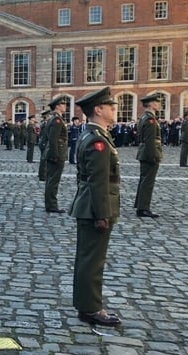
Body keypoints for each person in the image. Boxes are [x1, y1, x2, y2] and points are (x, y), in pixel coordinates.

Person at [68, 86, 121, 327]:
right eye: (110, 106)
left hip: (90, 205)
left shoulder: (95, 135)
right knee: (92, 260)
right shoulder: (97, 140)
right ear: (98, 110)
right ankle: (91, 308)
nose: (114, 109)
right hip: (93, 208)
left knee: (88, 258)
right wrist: (103, 214)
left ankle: (86, 305)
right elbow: (98, 180)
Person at [134, 93, 163, 218]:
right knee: (147, 181)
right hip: (149, 152)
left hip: (144, 151)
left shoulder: (145, 117)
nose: (159, 104)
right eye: (157, 102)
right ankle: (143, 208)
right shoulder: (150, 120)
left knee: (144, 180)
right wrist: (153, 156)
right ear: (151, 104)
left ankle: (140, 205)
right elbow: (150, 140)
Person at [44, 95, 69, 213]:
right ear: (58, 106)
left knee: (51, 180)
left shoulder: (55, 118)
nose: (65, 106)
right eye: (63, 104)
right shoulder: (57, 120)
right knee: (53, 180)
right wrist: (55, 155)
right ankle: (51, 205)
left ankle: (50, 204)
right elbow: (53, 139)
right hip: (57, 153)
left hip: (56, 152)